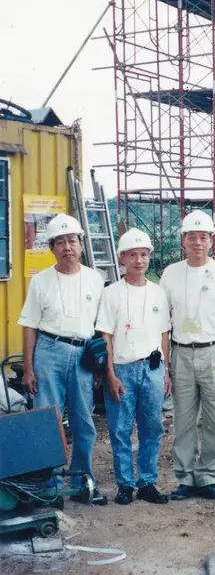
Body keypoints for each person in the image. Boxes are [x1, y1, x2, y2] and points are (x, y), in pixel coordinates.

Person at [18, 213, 107, 504]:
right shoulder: (41, 281)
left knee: (84, 421)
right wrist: (28, 369)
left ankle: (83, 483)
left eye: (72, 241)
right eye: (60, 242)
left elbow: (102, 325)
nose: (67, 247)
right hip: (49, 352)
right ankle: (50, 487)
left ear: (80, 244)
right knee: (47, 420)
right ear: (52, 248)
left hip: (83, 355)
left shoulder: (95, 279)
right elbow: (30, 325)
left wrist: (100, 364)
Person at [160, 210, 215, 500]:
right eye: (191, 237)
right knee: (183, 418)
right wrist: (166, 364)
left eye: (203, 237)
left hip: (214, 351)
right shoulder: (171, 273)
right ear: (183, 240)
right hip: (181, 352)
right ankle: (185, 477)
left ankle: (208, 476)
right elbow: (163, 321)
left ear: (212, 240)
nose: (197, 242)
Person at [96, 229, 172, 506]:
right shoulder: (112, 293)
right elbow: (106, 336)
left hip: (152, 368)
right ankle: (125, 484)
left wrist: (166, 371)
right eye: (132, 255)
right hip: (122, 369)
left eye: (143, 255)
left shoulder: (158, 293)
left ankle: (148, 482)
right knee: (121, 429)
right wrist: (110, 374)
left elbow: (164, 333)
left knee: (152, 427)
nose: (139, 261)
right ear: (122, 259)